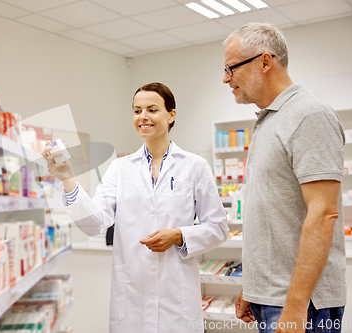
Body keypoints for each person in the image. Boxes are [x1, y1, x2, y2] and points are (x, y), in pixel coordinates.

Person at [42, 82, 229, 332]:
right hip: (132, 298)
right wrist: (67, 178)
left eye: (152, 110)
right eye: (137, 110)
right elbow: (94, 223)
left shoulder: (194, 166)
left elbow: (218, 227)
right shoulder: (120, 168)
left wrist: (179, 235)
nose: (143, 117)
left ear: (171, 115)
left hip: (177, 297)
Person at [222, 23, 346, 333]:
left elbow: (323, 214)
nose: (226, 78)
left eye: (231, 68)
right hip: (272, 295)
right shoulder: (268, 122)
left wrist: (295, 303)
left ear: (265, 62)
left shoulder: (309, 115)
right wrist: (253, 286)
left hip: (302, 304)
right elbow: (271, 216)